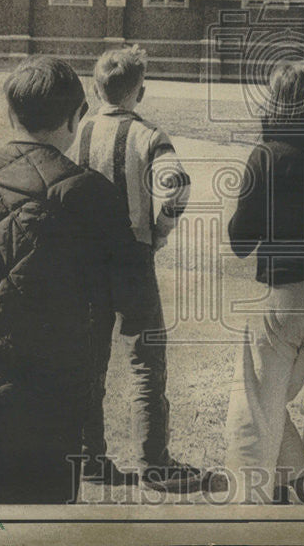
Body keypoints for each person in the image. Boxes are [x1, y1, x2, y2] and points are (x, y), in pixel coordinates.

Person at [0, 56, 144, 504]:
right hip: (48, 405)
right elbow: (134, 301)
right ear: (76, 117)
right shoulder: (91, 193)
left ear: (9, 113)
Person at [69, 46, 209, 493]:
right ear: (140, 92)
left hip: (87, 261)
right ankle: (154, 463)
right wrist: (161, 230)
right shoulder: (149, 134)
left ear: (96, 88)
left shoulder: (80, 130)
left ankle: (91, 457)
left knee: (89, 359)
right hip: (132, 257)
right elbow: (177, 184)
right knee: (145, 360)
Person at [225, 61, 304, 504]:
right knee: (281, 402)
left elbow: (240, 240)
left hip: (288, 293)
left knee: (257, 401)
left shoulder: (266, 153)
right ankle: (293, 479)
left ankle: (252, 502)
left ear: (276, 101)